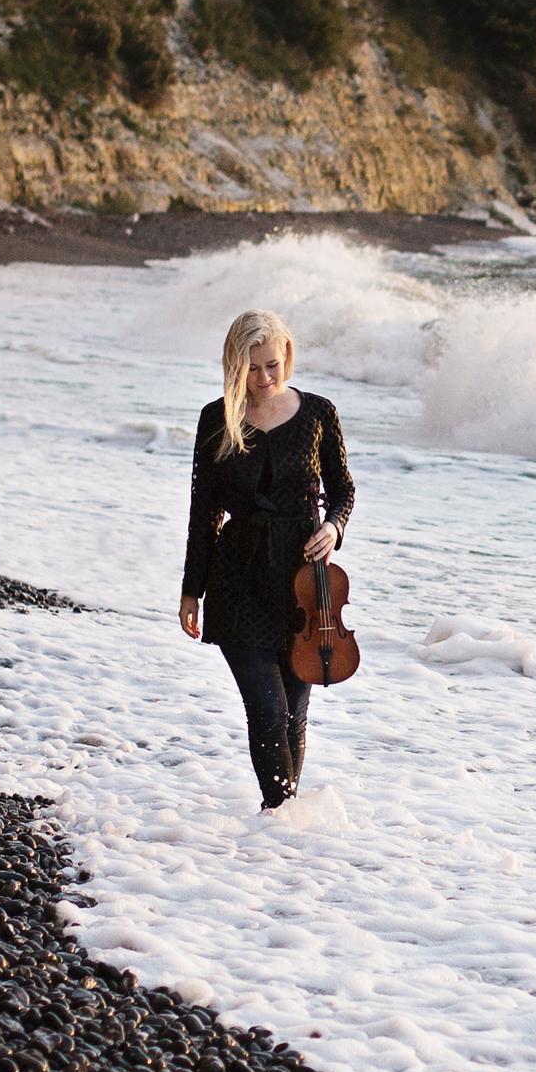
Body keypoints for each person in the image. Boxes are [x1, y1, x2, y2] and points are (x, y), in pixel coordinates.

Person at [180, 308, 354, 810]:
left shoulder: (319, 413)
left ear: (287, 358)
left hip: (304, 587)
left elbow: (343, 490)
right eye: (252, 368)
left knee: (297, 711)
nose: (263, 378)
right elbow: (204, 512)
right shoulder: (219, 418)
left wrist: (333, 526)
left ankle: (283, 825)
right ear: (235, 366)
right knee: (268, 709)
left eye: (272, 365)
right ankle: (277, 815)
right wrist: (192, 590)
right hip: (238, 581)